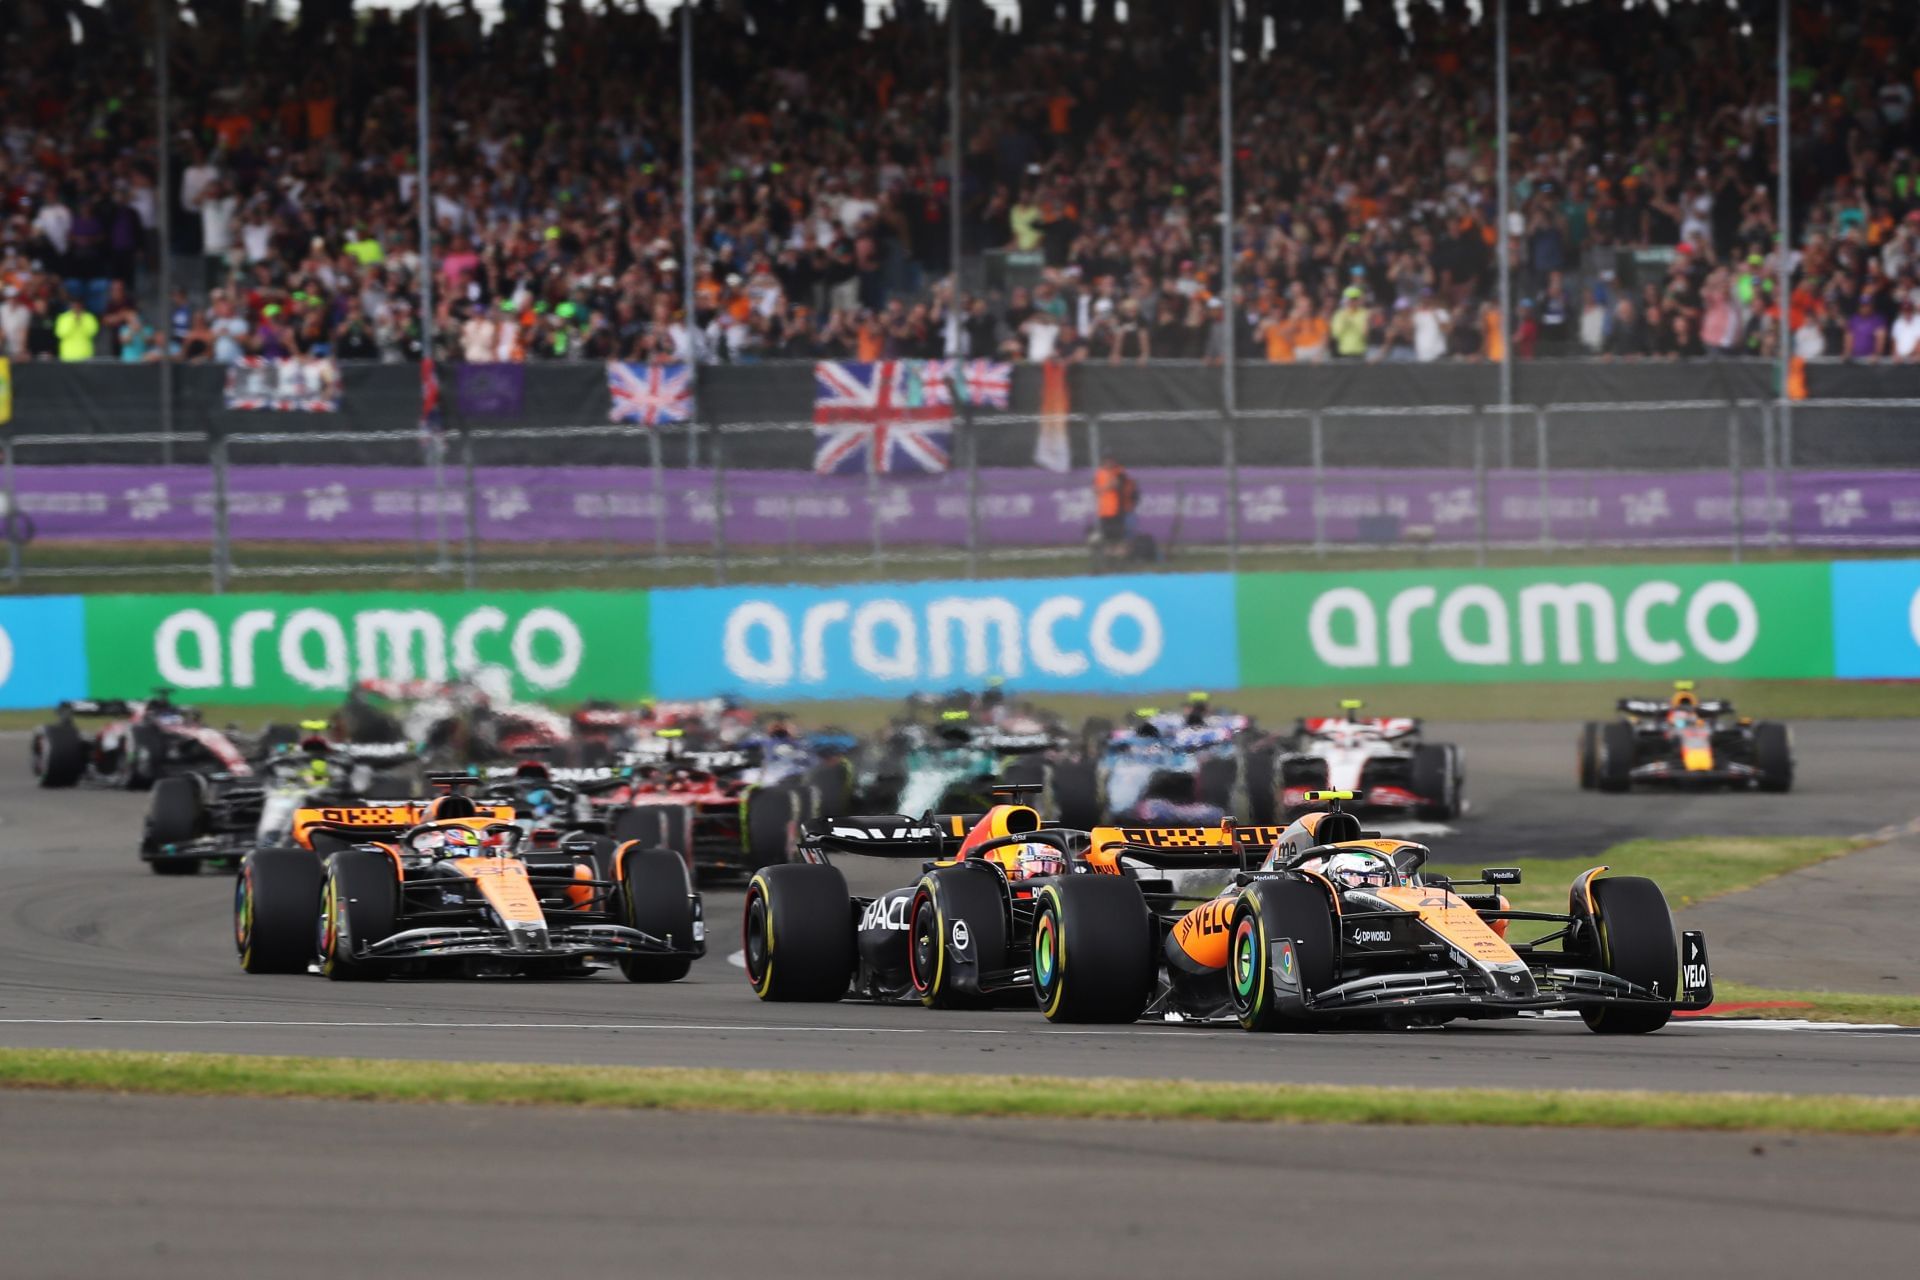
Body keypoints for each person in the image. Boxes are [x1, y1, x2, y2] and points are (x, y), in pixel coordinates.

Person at [1093, 454, 1139, 561]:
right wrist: (1106, 487)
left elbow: (1117, 484)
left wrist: (1103, 488)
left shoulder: (1119, 472)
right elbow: (1095, 489)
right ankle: (1110, 557)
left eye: (1111, 460)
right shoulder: (1100, 473)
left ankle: (1124, 557)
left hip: (1118, 511)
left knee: (1121, 535)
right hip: (1104, 511)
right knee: (1108, 536)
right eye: (1107, 460)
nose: (1109, 463)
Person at [54, 297, 99, 362]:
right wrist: (73, 321)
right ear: (70, 306)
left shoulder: (89, 317)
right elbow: (60, 334)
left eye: (78, 306)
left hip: (85, 355)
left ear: (82, 306)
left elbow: (92, 333)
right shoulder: (63, 318)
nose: (76, 308)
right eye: (74, 305)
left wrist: (81, 321)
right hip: (67, 355)